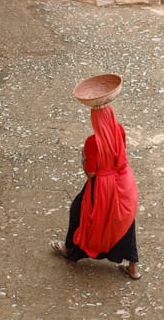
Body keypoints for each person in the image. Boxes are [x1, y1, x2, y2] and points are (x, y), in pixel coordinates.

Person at [51, 105, 141, 280]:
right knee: (125, 222)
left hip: (103, 186)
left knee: (79, 211)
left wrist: (84, 157)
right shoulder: (119, 130)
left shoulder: (92, 142)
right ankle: (133, 267)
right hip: (123, 181)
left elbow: (91, 173)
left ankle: (70, 249)